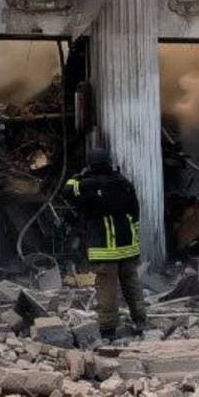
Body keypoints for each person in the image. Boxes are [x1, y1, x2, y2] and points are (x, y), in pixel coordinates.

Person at [64, 143, 148, 341]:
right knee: (131, 283)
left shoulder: (88, 184)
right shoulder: (124, 182)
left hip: (105, 247)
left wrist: (79, 175)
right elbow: (135, 212)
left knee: (107, 286)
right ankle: (141, 320)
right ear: (109, 162)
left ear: (90, 165)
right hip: (128, 245)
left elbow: (67, 190)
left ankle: (108, 329)